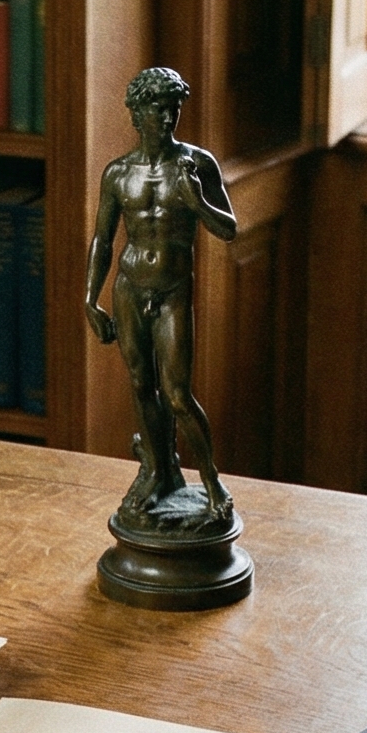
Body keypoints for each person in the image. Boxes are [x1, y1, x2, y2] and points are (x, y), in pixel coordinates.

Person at [85, 67, 238, 531]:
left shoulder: (196, 165)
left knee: (176, 393)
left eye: (173, 107)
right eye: (157, 107)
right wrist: (91, 299)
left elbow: (228, 229)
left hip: (173, 290)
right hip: (130, 288)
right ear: (136, 114)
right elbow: (103, 240)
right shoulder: (118, 173)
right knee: (140, 384)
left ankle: (213, 485)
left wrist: (197, 203)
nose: (167, 116)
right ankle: (157, 470)